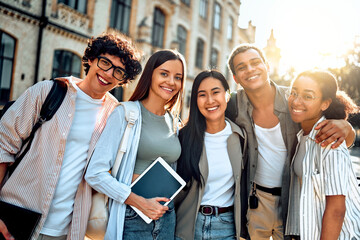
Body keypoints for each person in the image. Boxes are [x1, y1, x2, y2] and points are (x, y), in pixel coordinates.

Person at [0, 33, 142, 240]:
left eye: (119, 72)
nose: (109, 74)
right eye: (105, 63)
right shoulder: (47, 92)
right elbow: (3, 146)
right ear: (91, 60)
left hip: (66, 231)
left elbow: (111, 167)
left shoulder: (115, 114)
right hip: (14, 219)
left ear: (123, 81)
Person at [225, 43, 356, 240]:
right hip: (257, 200)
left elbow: (332, 121)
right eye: (242, 67)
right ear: (235, 78)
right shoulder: (234, 106)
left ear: (267, 66)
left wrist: (347, 128)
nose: (250, 69)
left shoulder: (294, 99)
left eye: (255, 63)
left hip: (294, 200)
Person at [85, 49, 186, 239]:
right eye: (164, 74)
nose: (171, 82)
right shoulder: (124, 113)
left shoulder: (174, 123)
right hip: (131, 213)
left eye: (178, 77)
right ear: (150, 75)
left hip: (166, 215)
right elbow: (94, 173)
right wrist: (139, 202)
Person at [285, 70, 360, 240]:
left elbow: (336, 210)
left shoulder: (328, 141)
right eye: (294, 93)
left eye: (308, 96)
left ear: (325, 103)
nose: (296, 101)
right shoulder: (303, 135)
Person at [175, 70, 247, 240]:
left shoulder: (241, 137)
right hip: (188, 227)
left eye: (216, 92)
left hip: (227, 228)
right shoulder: (182, 137)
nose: (210, 100)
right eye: (202, 95)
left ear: (227, 95)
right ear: (195, 100)